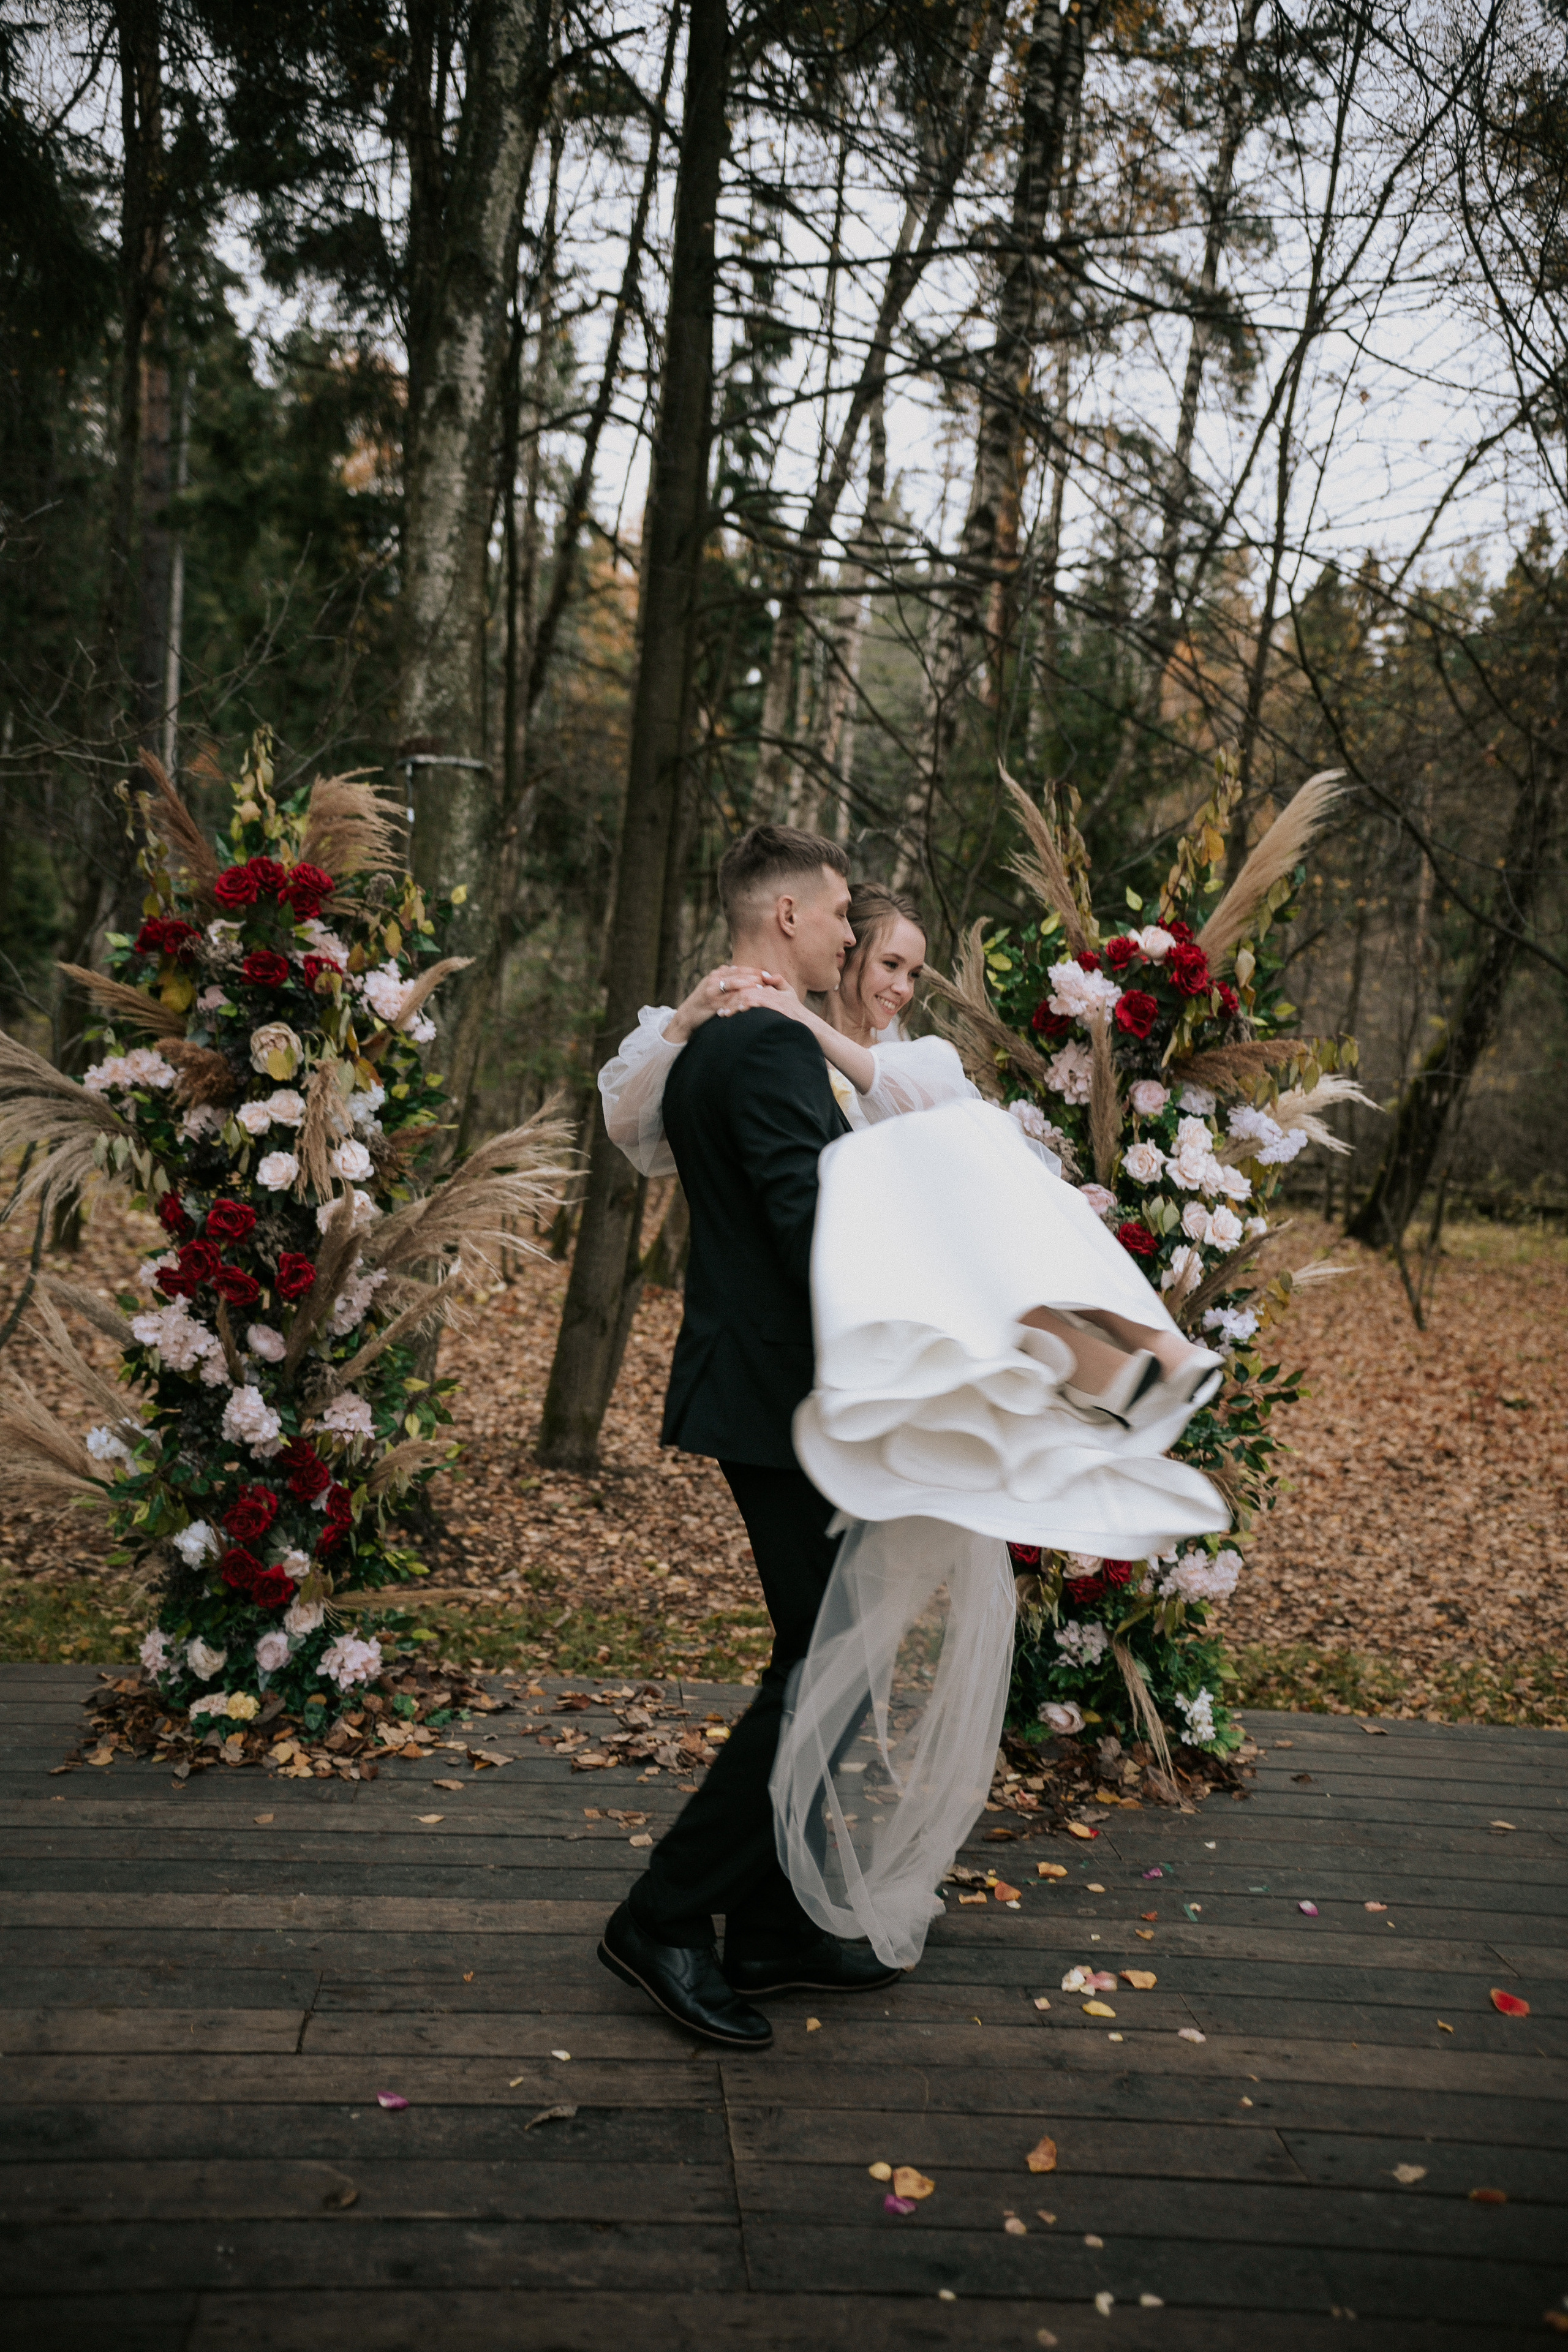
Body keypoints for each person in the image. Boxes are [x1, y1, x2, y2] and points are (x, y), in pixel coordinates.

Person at [598, 830, 1229, 2007]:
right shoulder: (762, 1046)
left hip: (776, 1389)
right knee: (821, 1666)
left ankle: (775, 1924)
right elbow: (811, 1230)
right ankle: (664, 1915)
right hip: (788, 1400)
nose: (851, 932)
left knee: (832, 1660)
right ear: (787, 916)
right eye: (841, 913)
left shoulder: (720, 1044)